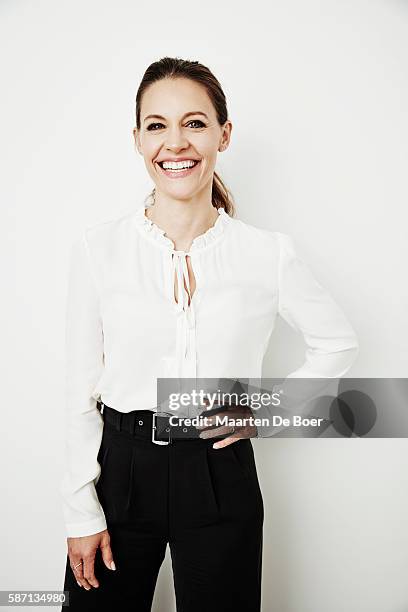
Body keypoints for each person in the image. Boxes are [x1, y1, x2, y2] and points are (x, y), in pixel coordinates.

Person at [60, 56, 359, 611]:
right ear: (137, 140)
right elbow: (80, 391)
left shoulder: (266, 253)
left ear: (223, 133)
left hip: (220, 469)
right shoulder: (97, 249)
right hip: (121, 471)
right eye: (157, 126)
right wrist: (80, 509)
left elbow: (337, 343)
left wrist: (266, 410)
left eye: (194, 123)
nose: (176, 143)